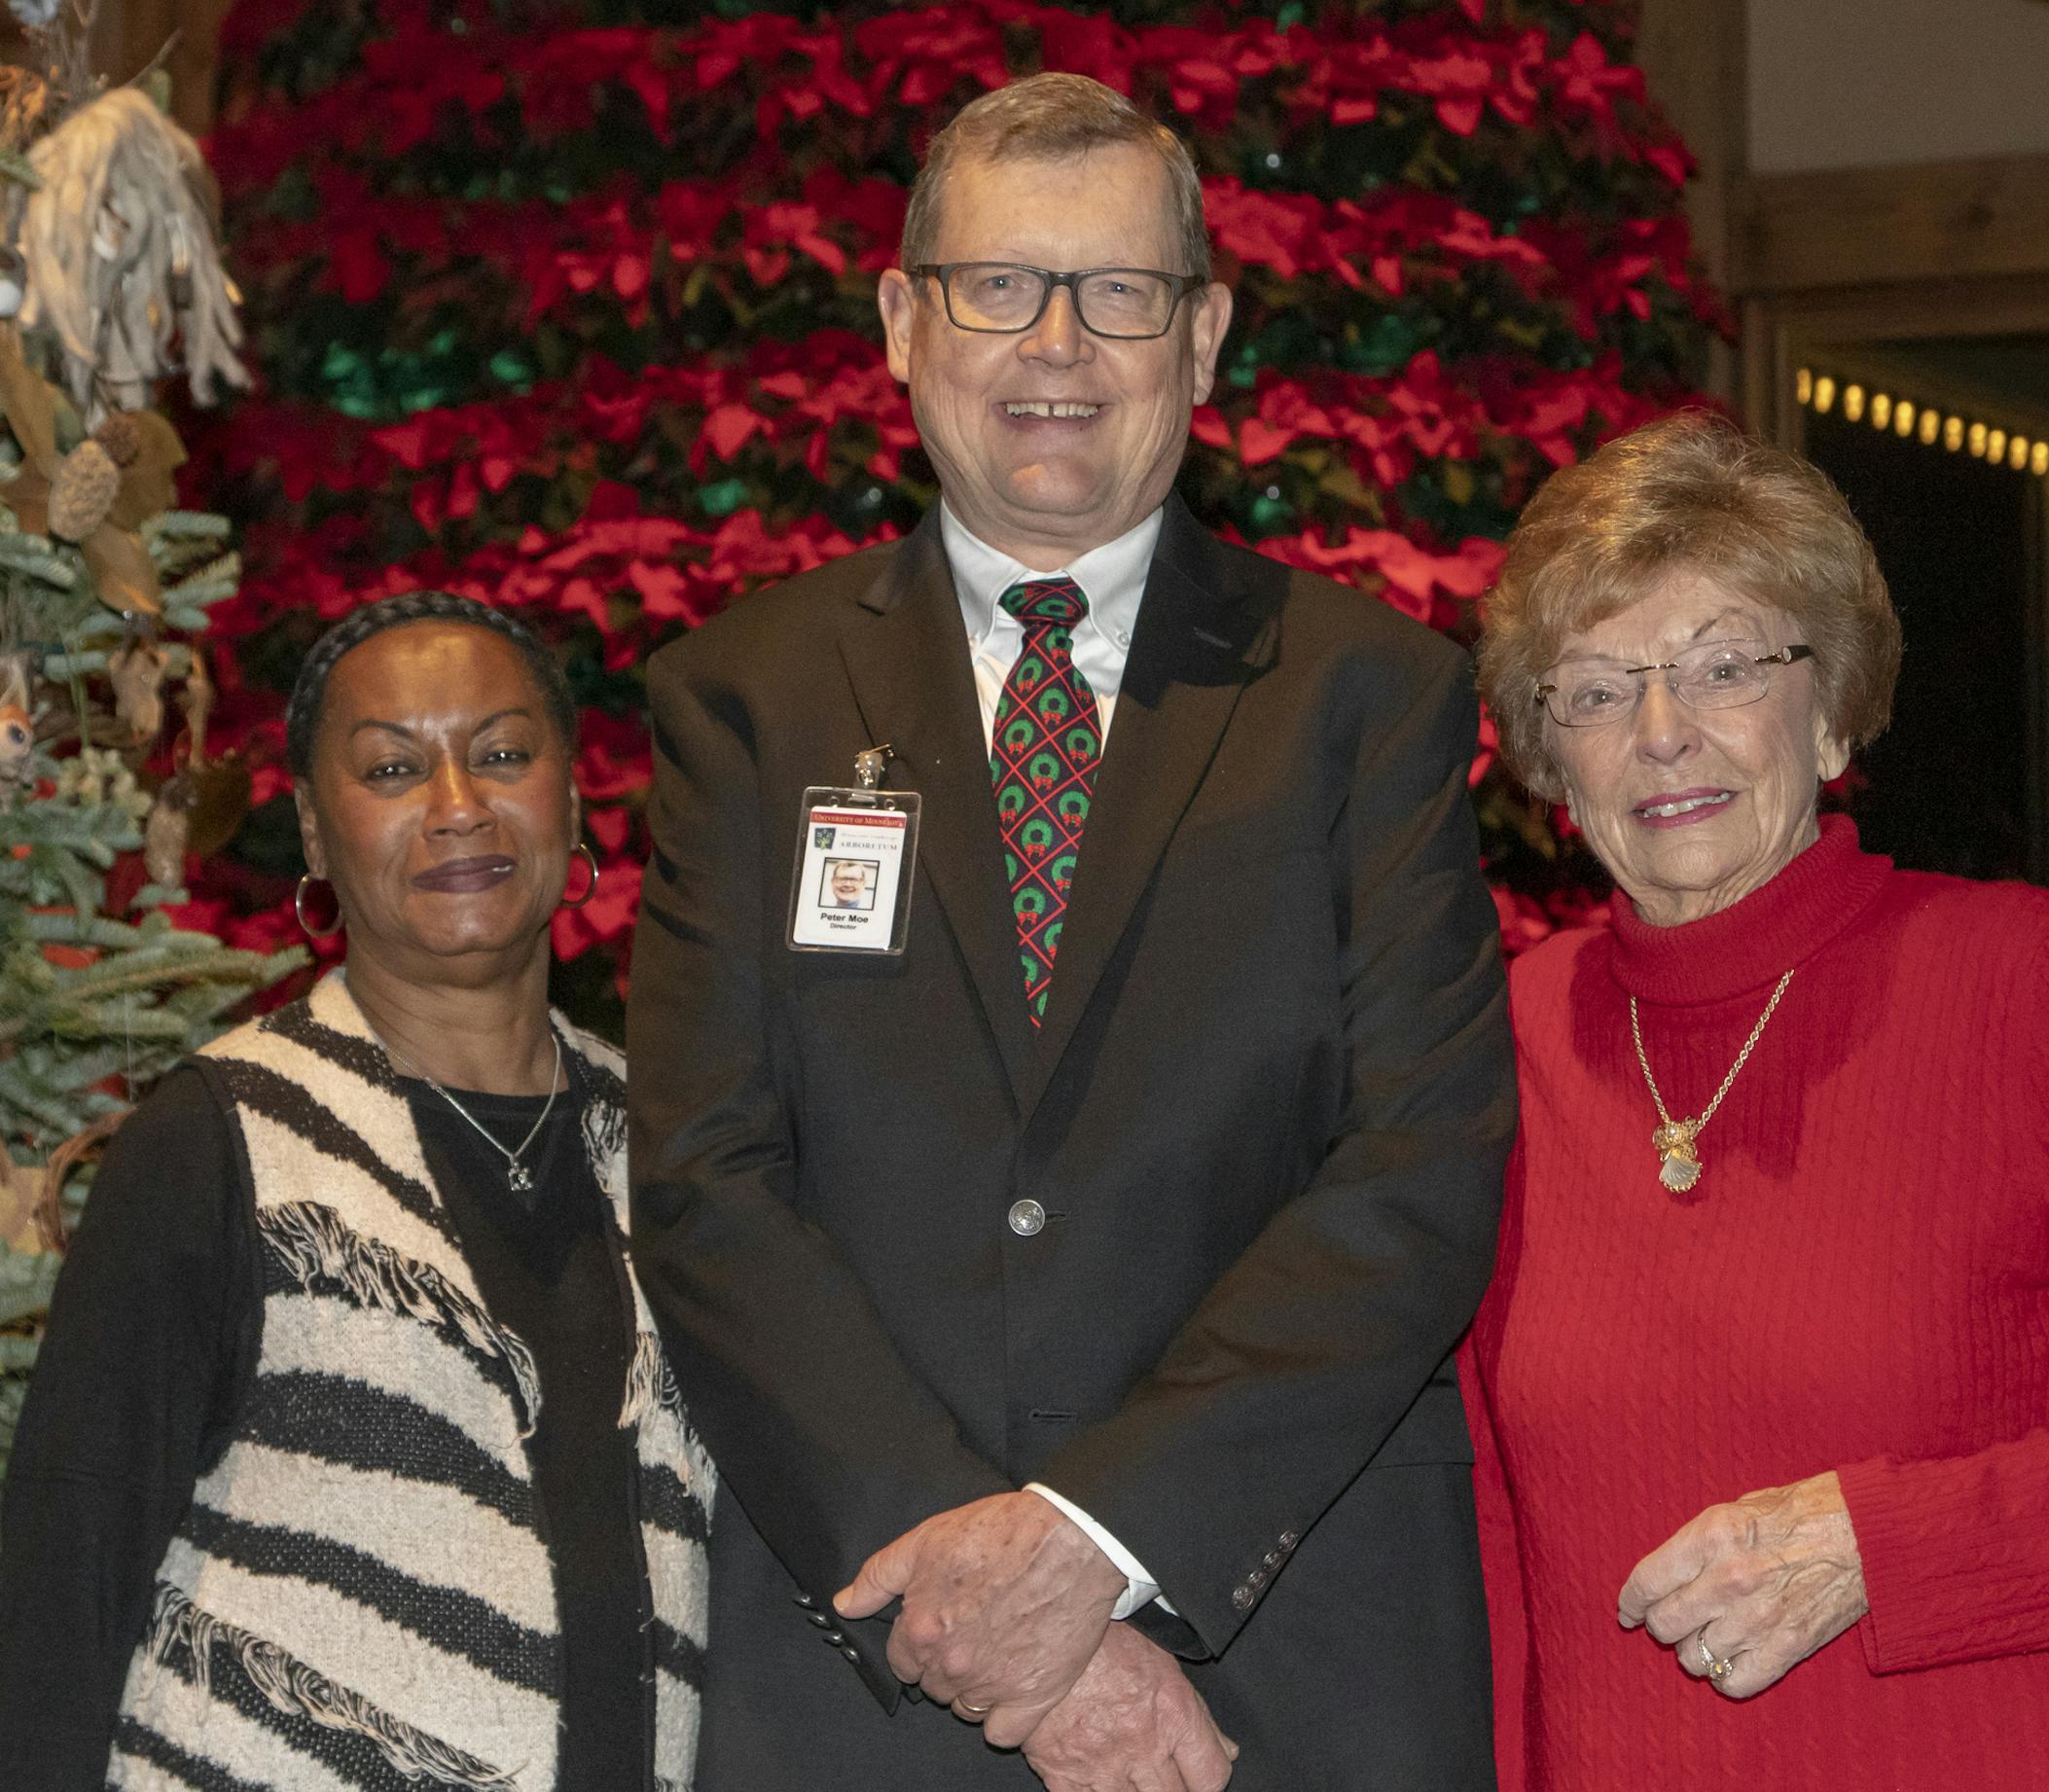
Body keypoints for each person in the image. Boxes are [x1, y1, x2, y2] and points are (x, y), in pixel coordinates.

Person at [628, 71, 1514, 1792]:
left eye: (1119, 291)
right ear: (902, 323)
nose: (1058, 344)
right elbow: (706, 1182)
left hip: (1286, 1660)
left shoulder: (1367, 700)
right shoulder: (744, 701)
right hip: (877, 1668)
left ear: (1203, 338)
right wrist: (983, 1595)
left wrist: (1101, 1542)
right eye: (998, 286)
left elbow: (1420, 1166)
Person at [1463, 411, 2049, 1788]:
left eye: (1723, 667)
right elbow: (1491, 1538)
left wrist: (1887, 1546)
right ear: (1550, 757)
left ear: (1832, 710)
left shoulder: (2021, 982)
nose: (1662, 734)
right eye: (1597, 690)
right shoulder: (1508, 1037)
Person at [0, 592, 716, 1792]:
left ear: (570, 800)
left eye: (503, 755)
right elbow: (65, 1586)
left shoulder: (675, 1146)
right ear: (317, 837)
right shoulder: (220, 1139)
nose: (458, 804)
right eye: (393, 769)